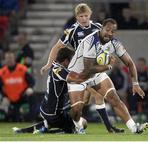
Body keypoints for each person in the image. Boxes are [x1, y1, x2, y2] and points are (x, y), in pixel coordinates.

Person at [41, 3, 124, 133]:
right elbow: (56, 47)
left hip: (94, 68)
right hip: (80, 70)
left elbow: (108, 42)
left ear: (90, 15)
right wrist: (48, 64)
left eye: (86, 15)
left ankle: (100, 127)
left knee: (94, 97)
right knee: (88, 99)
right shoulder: (72, 31)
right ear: (76, 17)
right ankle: (77, 125)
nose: (84, 18)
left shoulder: (97, 27)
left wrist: (108, 56)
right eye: (81, 16)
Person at [67, 18, 148, 134]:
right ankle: (77, 124)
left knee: (114, 98)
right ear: (101, 28)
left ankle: (134, 128)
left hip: (96, 74)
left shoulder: (114, 43)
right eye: (107, 30)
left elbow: (130, 63)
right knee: (77, 109)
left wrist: (135, 83)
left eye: (113, 31)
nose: (110, 33)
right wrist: (108, 66)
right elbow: (88, 69)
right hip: (78, 75)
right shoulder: (90, 41)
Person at [13, 48, 88, 134]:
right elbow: (74, 79)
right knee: (82, 123)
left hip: (46, 109)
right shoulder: (59, 70)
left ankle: (28, 130)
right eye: (72, 60)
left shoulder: (54, 65)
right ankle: (48, 131)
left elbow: (56, 52)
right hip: (54, 113)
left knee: (64, 114)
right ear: (66, 61)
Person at [0, 51, 35, 122]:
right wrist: (3, 96)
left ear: (14, 58)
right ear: (5, 59)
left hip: (23, 97)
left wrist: (30, 88)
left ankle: (31, 117)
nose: (9, 60)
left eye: (10, 58)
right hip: (9, 99)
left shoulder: (22, 69)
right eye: (7, 58)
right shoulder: (2, 72)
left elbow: (32, 81)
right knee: (12, 118)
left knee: (31, 95)